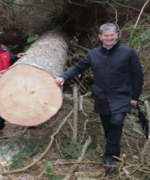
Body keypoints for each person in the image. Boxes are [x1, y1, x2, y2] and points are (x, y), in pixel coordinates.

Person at [55, 23, 143, 173]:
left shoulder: (128, 52)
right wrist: (64, 76)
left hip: (121, 96)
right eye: (106, 35)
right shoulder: (94, 53)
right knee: (108, 127)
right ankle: (114, 150)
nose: (109, 38)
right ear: (100, 37)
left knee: (116, 122)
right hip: (101, 96)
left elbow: (138, 75)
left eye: (112, 35)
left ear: (117, 35)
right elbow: (78, 67)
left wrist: (135, 96)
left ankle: (109, 157)